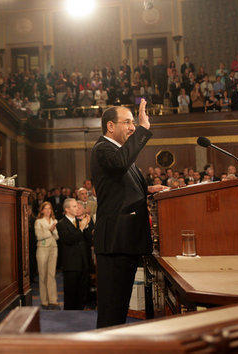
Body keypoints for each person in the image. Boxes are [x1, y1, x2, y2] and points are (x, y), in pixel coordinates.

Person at [90, 99, 167, 328]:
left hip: (125, 241)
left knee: (118, 309)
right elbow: (120, 164)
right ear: (110, 126)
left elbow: (121, 185)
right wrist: (144, 128)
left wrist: (149, 189)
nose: (133, 127)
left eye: (134, 123)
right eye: (128, 122)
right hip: (116, 242)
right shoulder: (103, 148)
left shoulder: (117, 152)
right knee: (112, 311)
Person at [56, 198, 92, 310]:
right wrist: (81, 228)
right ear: (67, 209)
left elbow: (88, 241)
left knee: (81, 294)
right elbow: (68, 240)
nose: (77, 208)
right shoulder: (61, 223)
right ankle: (70, 319)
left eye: (77, 206)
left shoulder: (79, 221)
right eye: (74, 206)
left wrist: (86, 227)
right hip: (71, 264)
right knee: (71, 295)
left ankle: (80, 316)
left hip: (83, 262)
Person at [34, 201, 60, 310]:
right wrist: (50, 230)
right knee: (43, 275)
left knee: (51, 274)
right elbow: (39, 236)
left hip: (53, 248)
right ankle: (44, 300)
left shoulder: (54, 221)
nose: (48, 211)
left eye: (50, 209)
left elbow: (57, 237)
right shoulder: (38, 221)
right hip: (42, 249)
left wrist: (53, 231)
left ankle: (53, 300)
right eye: (46, 208)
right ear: (42, 210)